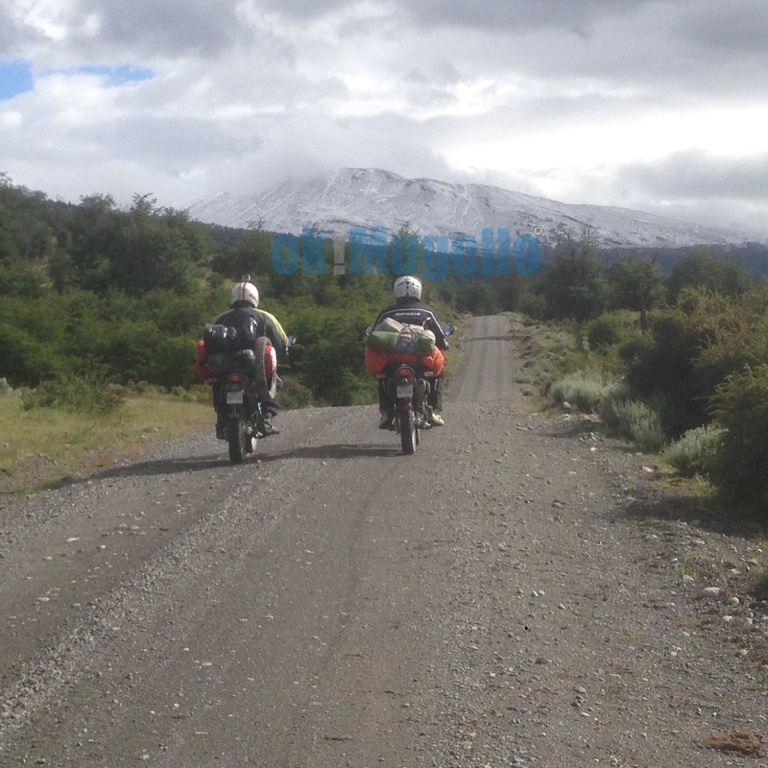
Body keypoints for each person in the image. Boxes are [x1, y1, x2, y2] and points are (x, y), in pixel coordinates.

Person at [198, 278, 289, 439]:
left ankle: (221, 420)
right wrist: (282, 356)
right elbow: (281, 342)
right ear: (254, 297)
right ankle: (266, 419)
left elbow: (209, 344)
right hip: (252, 366)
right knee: (277, 383)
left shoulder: (220, 318)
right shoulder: (265, 317)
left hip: (225, 367)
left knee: (218, 386)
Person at [371, 275, 449, 428]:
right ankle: (434, 411)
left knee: (383, 377)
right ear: (418, 291)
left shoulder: (387, 313)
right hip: (420, 360)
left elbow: (376, 334)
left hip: (393, 360)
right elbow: (439, 336)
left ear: (397, 292)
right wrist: (443, 343)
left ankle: (386, 412)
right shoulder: (427, 311)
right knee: (438, 373)